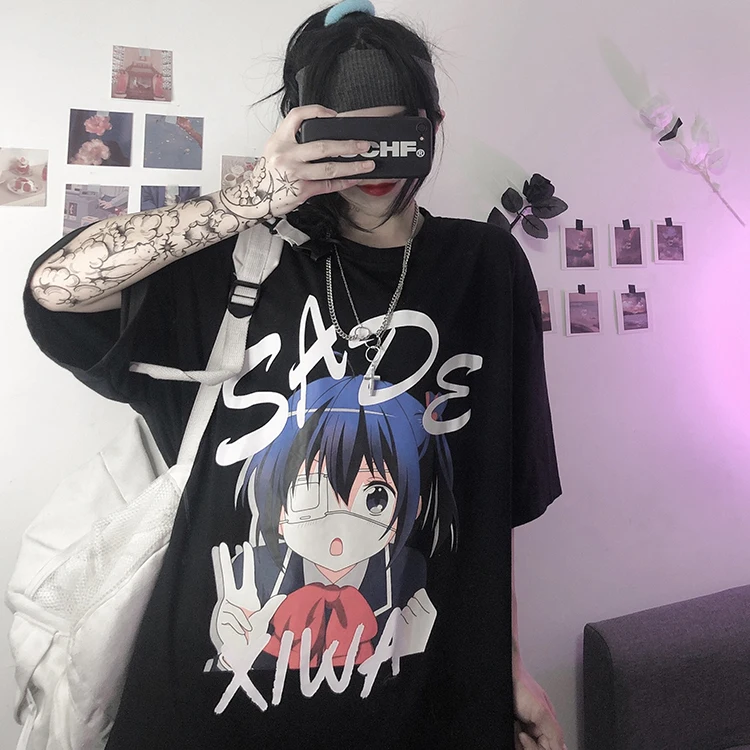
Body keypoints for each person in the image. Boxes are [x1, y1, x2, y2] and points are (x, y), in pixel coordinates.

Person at [23, 2, 565, 748]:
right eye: (343, 139)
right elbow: (56, 288)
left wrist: (510, 665)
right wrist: (250, 198)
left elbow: (486, 504)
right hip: (211, 718)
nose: (372, 167)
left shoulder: (486, 267)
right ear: (299, 134)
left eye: (396, 137)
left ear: (434, 127)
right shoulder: (237, 268)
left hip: (429, 713)